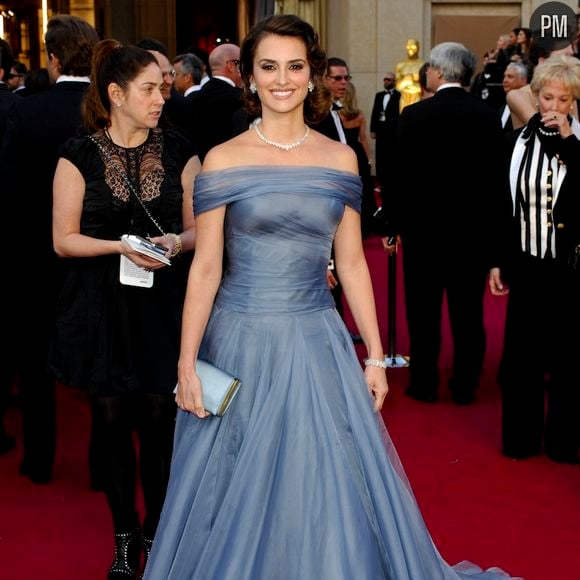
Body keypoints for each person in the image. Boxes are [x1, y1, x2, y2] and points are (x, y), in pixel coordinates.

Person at [144, 15, 518, 580]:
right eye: (268, 67)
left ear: (313, 75)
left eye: (295, 66)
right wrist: (186, 362)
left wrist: (373, 355)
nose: (282, 79)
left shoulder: (339, 160)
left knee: (320, 476)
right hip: (239, 339)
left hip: (318, 341)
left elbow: (349, 264)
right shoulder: (223, 159)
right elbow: (206, 269)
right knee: (232, 478)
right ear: (248, 75)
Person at [49, 40, 200, 578]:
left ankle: (158, 532)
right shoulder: (78, 154)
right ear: (116, 94)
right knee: (112, 426)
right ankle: (123, 536)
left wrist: (174, 244)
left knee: (160, 423)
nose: (161, 97)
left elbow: (200, 226)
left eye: (163, 88)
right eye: (149, 89)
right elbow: (63, 240)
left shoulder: (181, 147)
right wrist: (121, 247)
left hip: (162, 304)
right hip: (101, 308)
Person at [0, 15, 99, 483]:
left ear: (53, 58)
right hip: (100, 253)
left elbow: (10, 189)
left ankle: (39, 461)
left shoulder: (26, 111)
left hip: (36, 255)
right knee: (104, 359)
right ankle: (104, 466)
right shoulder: (108, 110)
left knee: (36, 363)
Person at [382, 42, 505, 406]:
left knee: (423, 312)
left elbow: (397, 176)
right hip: (472, 235)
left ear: (436, 72)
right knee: (468, 314)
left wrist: (393, 224)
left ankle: (424, 383)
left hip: (424, 235)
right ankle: (465, 385)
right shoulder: (487, 116)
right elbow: (498, 182)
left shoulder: (414, 116)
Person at [489, 55, 580, 465]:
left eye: (564, 100)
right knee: (521, 359)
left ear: (573, 104)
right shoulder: (515, 143)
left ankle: (563, 442)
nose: (555, 107)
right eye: (548, 98)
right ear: (536, 97)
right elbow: (497, 205)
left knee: (568, 359)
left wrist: (567, 146)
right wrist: (496, 260)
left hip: (570, 269)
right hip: (526, 263)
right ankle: (521, 439)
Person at [370, 71, 400, 192]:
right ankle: (381, 182)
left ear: (394, 82)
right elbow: (374, 112)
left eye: (389, 80)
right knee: (380, 156)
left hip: (392, 132)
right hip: (380, 131)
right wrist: (372, 129)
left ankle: (390, 183)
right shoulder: (379, 95)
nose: (386, 82)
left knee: (390, 156)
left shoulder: (399, 95)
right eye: (385, 79)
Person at [395, 38, 425, 111]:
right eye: (408, 46)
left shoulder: (422, 64)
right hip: (404, 97)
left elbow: (426, 86)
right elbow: (397, 87)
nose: (410, 48)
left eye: (413, 46)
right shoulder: (401, 65)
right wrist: (407, 80)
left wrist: (412, 84)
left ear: (418, 47)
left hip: (418, 97)